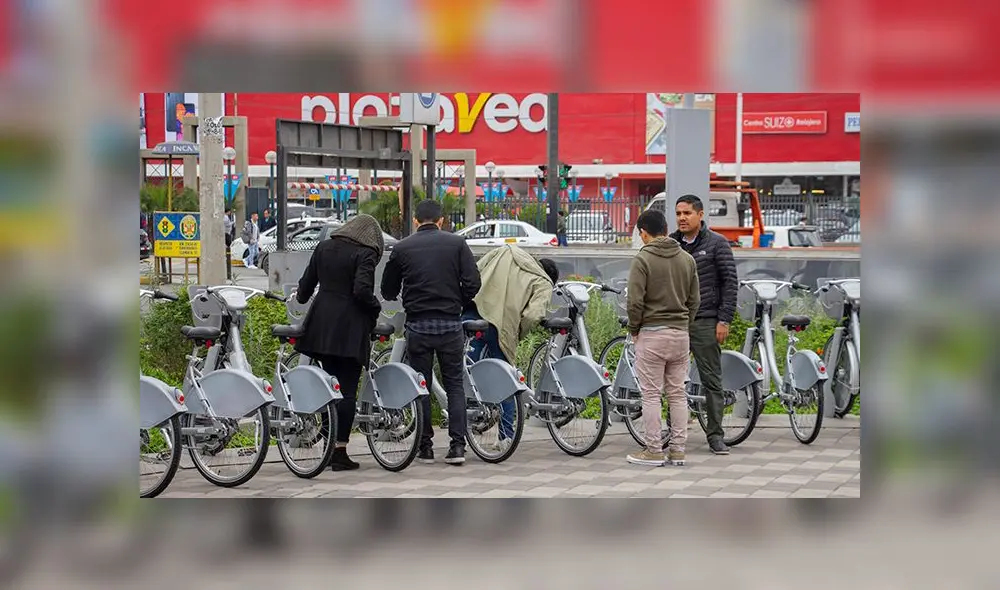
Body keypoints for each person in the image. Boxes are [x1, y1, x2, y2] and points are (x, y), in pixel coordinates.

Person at [381, 200, 481, 465]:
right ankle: (457, 447)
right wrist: (457, 301)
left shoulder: (402, 248)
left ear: (415, 221)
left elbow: (388, 289)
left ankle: (425, 447)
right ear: (442, 221)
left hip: (418, 325)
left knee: (420, 385)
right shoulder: (457, 244)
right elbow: (474, 283)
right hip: (450, 324)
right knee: (455, 386)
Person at [294, 214, 385, 471]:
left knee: (327, 386)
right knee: (346, 390)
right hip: (350, 327)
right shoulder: (364, 253)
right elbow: (362, 290)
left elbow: (305, 288)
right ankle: (340, 451)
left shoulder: (324, 247)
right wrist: (375, 308)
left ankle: (326, 447)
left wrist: (301, 298)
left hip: (321, 324)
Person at [625, 210, 700, 467]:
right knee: (678, 394)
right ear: (666, 229)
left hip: (652, 334)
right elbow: (695, 301)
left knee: (651, 395)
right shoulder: (687, 259)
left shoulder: (643, 259)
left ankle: (654, 450)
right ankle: (678, 450)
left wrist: (635, 328)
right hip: (680, 335)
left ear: (644, 231)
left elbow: (635, 301)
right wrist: (683, 325)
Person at [462, 245, 559, 443]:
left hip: (475, 313)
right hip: (501, 328)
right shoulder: (543, 282)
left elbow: (475, 271)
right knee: (506, 380)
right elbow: (534, 315)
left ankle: (461, 435)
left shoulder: (506, 251)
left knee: (465, 373)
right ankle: (505, 436)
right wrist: (518, 331)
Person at [670, 194, 738, 456]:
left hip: (706, 320)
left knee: (711, 380)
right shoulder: (672, 244)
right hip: (676, 320)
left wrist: (724, 320)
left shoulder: (717, 244)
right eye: (678, 213)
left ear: (700, 215)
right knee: (673, 380)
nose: (682, 218)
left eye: (687, 213)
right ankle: (673, 430)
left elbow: (730, 283)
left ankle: (715, 435)